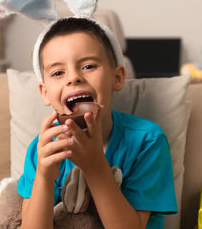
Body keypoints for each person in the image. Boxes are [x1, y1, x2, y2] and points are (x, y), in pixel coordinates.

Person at [16, 17, 177, 229]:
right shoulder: (44, 148)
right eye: (58, 72)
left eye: (88, 66)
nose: (73, 78)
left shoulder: (147, 141)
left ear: (117, 77)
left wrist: (95, 167)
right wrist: (44, 177)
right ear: (45, 93)